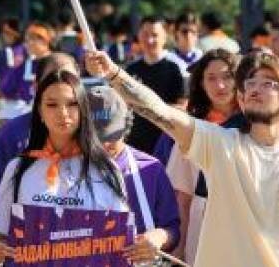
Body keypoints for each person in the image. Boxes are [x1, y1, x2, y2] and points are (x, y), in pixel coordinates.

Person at [86, 46, 279, 267]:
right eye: (250, 84)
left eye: (268, 83)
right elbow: (159, 111)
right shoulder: (219, 144)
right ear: (241, 100)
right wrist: (114, 74)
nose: (255, 89)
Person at [0, 71, 133, 264]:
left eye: (72, 104)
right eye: (52, 105)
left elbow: (120, 243)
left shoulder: (106, 170)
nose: (63, 113)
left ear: (83, 110)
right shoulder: (18, 168)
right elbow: (3, 236)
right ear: (39, 111)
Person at [88, 84, 182, 263]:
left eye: (111, 136)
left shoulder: (150, 168)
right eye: (95, 138)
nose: (105, 145)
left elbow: (172, 228)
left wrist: (159, 237)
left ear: (126, 126)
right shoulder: (65, 170)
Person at [161, 49, 239, 262]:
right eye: (211, 78)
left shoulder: (255, 125)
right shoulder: (192, 128)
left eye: (227, 76)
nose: (220, 85)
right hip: (204, 224)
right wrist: (179, 249)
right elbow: (183, 197)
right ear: (201, 84)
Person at [0, 53, 79, 211]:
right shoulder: (12, 132)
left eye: (68, 78)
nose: (60, 84)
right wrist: (20, 217)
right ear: (36, 86)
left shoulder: (92, 132)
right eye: (51, 79)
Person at [125, 16, 187, 154]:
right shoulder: (131, 70)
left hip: (166, 142)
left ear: (165, 37)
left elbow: (183, 106)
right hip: (135, 142)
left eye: (155, 35)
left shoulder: (175, 69)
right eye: (145, 34)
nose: (149, 40)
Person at [0, 22, 55, 122]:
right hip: (27, 115)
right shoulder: (24, 66)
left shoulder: (58, 63)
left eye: (33, 39)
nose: (28, 43)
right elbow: (5, 90)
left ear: (46, 41)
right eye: (27, 39)